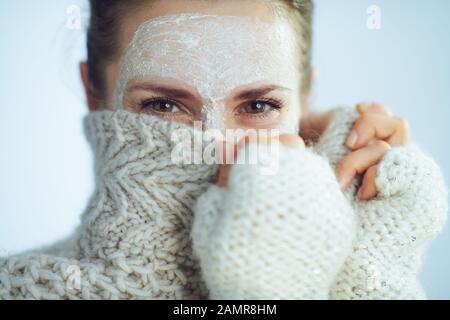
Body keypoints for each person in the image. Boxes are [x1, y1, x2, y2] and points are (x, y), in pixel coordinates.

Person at [0, 0, 447, 299]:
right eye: (164, 104)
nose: (218, 145)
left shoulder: (363, 265)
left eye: (258, 105)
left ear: (304, 102)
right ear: (94, 92)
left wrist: (370, 252)